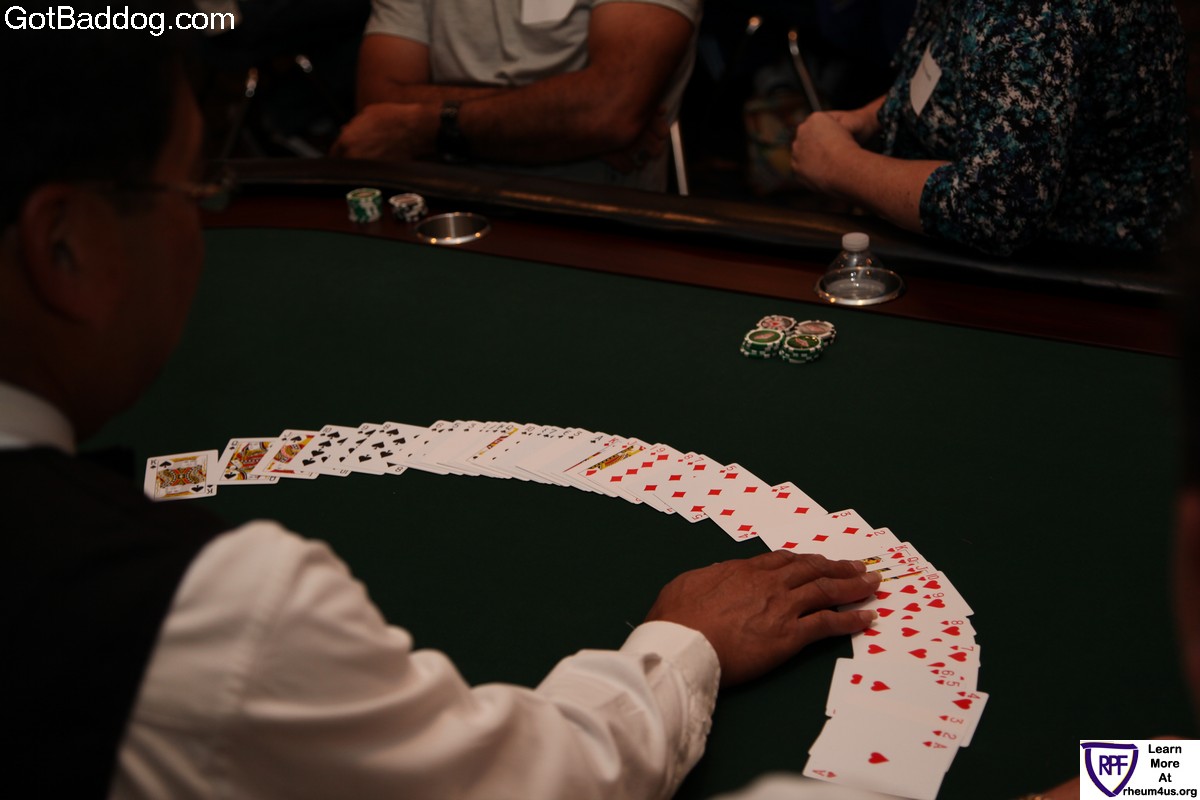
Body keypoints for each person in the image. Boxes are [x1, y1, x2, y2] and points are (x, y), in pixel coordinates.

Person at [0, 4, 881, 797]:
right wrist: (684, 642)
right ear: (64, 246)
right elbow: (538, 782)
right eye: (195, 189)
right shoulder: (212, 610)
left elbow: (603, 103)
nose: (201, 229)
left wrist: (435, 115)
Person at [789, 0, 1191, 256]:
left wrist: (838, 165)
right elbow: (967, 72)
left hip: (1073, 292)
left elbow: (995, 206)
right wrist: (874, 116)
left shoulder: (1023, 10)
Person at [331, 0, 702, 192]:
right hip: (438, 208)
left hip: (594, 227)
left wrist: (418, 128)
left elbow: (607, 110)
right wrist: (561, 119)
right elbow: (379, 102)